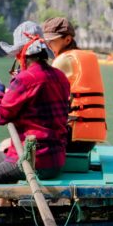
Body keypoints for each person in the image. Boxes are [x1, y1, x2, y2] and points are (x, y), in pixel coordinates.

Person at [0, 20, 72, 184]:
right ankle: (3, 203)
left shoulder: (25, 79)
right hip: (55, 158)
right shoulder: (60, 77)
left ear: (21, 54)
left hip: (34, 160)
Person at [43, 16, 106, 151]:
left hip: (73, 138)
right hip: (89, 140)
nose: (48, 46)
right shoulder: (89, 57)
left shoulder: (64, 59)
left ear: (67, 39)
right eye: (47, 42)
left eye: (52, 41)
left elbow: (42, 92)